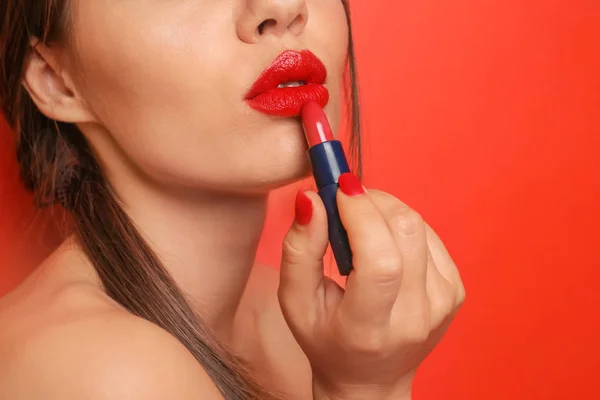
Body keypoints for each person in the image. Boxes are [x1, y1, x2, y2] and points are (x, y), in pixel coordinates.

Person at [0, 0, 465, 399]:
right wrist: (366, 391)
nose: (282, 7)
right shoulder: (102, 372)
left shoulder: (300, 328)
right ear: (56, 81)